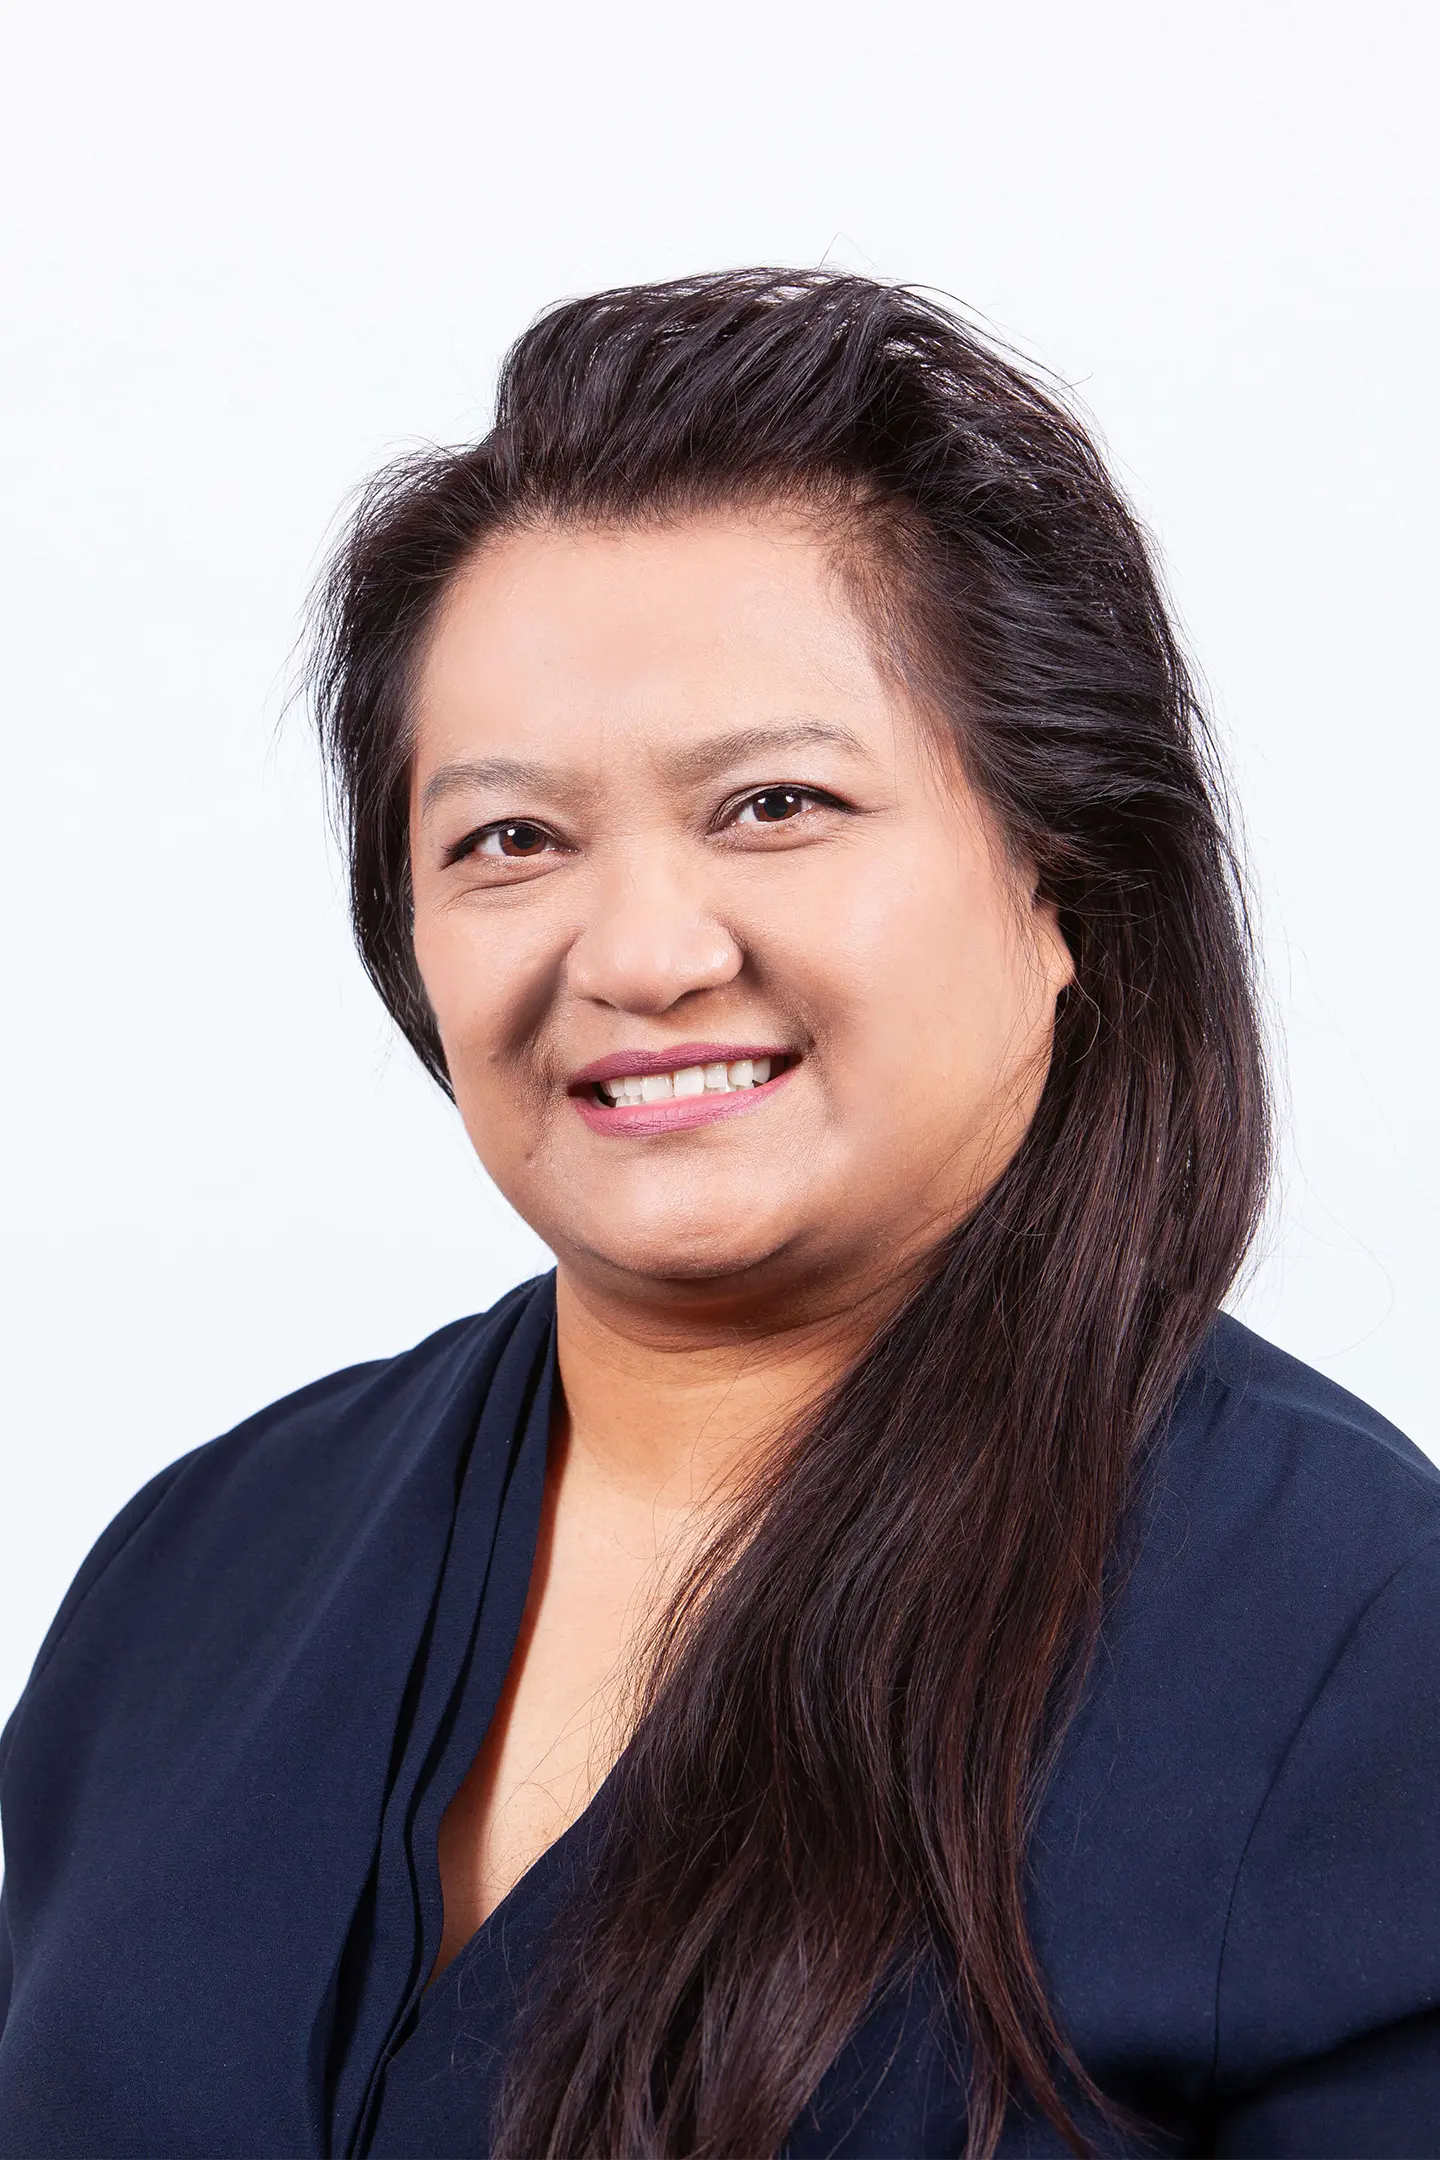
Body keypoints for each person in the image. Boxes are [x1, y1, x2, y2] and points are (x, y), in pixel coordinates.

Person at [2, 270, 1437, 2160]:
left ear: (1063, 877)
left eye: (773, 804)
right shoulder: (198, 1571)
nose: (645, 954)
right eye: (509, 840)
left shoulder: (1361, 1648)